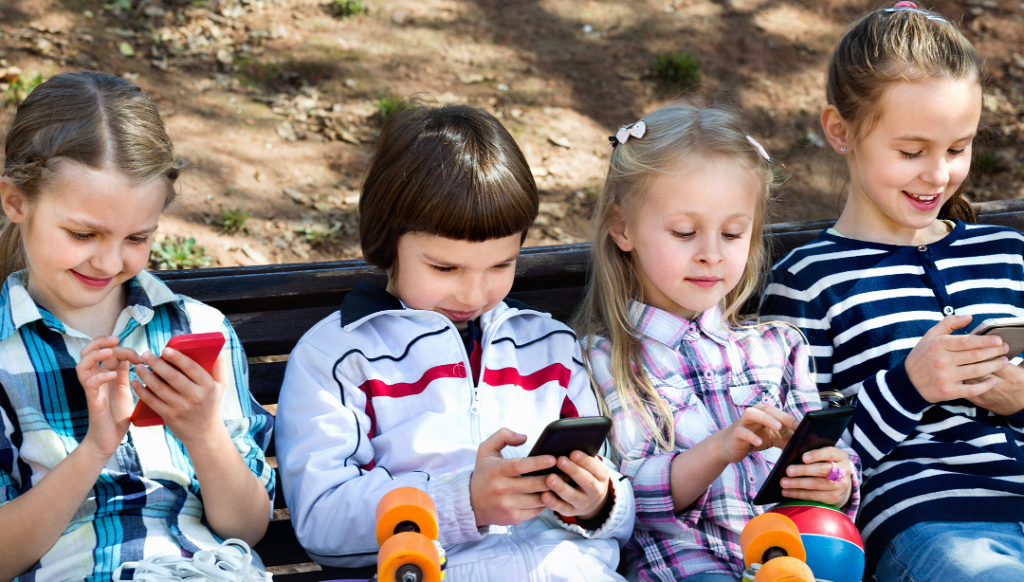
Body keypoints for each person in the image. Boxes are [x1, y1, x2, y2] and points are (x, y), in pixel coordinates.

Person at [274, 104, 635, 582]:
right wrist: (464, 501)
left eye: (501, 265)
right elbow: (322, 522)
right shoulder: (339, 357)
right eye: (445, 268)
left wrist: (597, 503)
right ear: (386, 243)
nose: (473, 294)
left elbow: (620, 506)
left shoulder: (551, 347)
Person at [759, 3, 1024, 580]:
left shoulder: (1006, 255)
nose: (938, 174)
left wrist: (1019, 400)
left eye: (958, 148)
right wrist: (910, 385)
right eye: (911, 152)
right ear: (841, 132)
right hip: (933, 525)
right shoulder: (808, 281)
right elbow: (802, 467)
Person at [0, 72, 275, 582]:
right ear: (16, 201)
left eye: (136, 238)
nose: (109, 262)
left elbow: (247, 528)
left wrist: (204, 434)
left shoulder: (198, 329)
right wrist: (94, 450)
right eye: (83, 234)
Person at [574, 101, 859, 582]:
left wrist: (834, 481)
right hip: (687, 566)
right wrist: (719, 449)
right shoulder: (602, 360)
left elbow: (835, 466)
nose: (710, 253)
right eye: (684, 232)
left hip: (790, 560)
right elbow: (624, 501)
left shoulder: (779, 347)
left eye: (732, 233)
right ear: (622, 227)